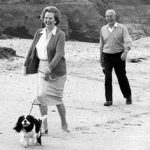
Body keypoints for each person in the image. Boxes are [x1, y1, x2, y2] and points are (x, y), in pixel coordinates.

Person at [23, 6, 69, 133]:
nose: (47, 20)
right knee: (41, 96)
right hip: (42, 68)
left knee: (57, 99)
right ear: (43, 19)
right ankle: (44, 125)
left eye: (50, 18)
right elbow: (32, 49)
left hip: (57, 70)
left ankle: (64, 124)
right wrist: (25, 65)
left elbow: (59, 53)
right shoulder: (39, 33)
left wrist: (50, 67)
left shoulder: (60, 34)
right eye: (45, 18)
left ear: (55, 20)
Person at [100, 9, 132, 106]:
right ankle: (109, 100)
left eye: (111, 16)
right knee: (107, 77)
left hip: (119, 55)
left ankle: (128, 96)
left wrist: (126, 52)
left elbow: (128, 41)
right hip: (107, 56)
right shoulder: (103, 29)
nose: (109, 18)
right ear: (105, 18)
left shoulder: (122, 28)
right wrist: (100, 57)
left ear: (115, 16)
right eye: (107, 16)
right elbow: (101, 44)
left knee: (121, 77)